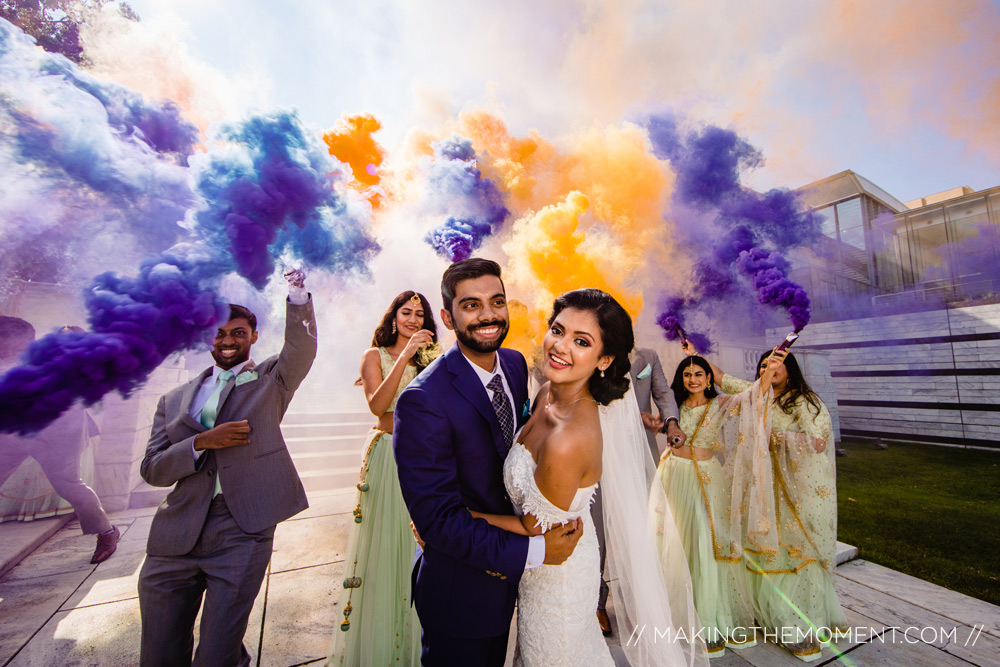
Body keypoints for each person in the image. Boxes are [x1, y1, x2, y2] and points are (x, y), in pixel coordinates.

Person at [470, 289, 707, 667]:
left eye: (581, 341)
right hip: (542, 568)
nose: (560, 346)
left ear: (605, 359)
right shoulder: (548, 391)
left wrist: (461, 517)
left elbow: (536, 526)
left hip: (556, 581)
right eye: (558, 330)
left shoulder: (570, 437)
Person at [393, 258, 584, 667]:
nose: (488, 315)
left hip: (521, 586)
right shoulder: (423, 400)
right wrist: (534, 551)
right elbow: (439, 521)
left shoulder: (514, 364)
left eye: (496, 302)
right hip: (462, 590)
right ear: (447, 316)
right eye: (471, 305)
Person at [137, 271, 316, 667]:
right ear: (207, 339)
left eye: (238, 333)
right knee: (158, 655)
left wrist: (297, 293)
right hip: (174, 537)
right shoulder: (173, 399)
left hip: (242, 530)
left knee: (217, 655)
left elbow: (301, 348)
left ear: (252, 337)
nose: (228, 341)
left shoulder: (270, 379)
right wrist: (202, 442)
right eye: (219, 334)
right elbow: (152, 469)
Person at [327, 291, 440, 666]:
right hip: (389, 455)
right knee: (389, 547)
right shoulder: (373, 356)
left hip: (425, 458)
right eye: (406, 312)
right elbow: (377, 405)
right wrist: (405, 355)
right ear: (393, 316)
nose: (412, 319)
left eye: (420, 314)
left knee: (422, 549)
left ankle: (418, 646)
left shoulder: (431, 357)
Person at [649, 346, 785, 658]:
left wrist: (768, 371)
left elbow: (754, 395)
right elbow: (658, 424)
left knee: (705, 544)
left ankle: (708, 620)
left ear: (710, 377)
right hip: (671, 475)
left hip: (706, 481)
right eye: (687, 374)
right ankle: (672, 614)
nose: (693, 379)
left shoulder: (722, 403)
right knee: (672, 542)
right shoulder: (675, 404)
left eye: (699, 373)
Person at [714, 351, 849, 662]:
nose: (768, 369)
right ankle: (766, 614)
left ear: (790, 370)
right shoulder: (755, 396)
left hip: (792, 490)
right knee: (759, 547)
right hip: (759, 490)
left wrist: (773, 438)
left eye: (775, 364)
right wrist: (691, 351)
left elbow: (817, 440)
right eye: (763, 365)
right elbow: (722, 379)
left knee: (791, 551)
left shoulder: (803, 400)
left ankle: (794, 623)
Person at [0, 316, 119, 563]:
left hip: (57, 434)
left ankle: (107, 532)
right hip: (14, 432)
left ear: (20, 340)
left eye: (4, 339)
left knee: (68, 485)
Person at [589, 347, 682, 636]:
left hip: (639, 455)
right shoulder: (588, 352)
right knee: (597, 534)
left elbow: (664, 394)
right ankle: (596, 604)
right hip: (597, 454)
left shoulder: (648, 357)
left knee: (645, 530)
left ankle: (643, 606)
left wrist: (671, 422)